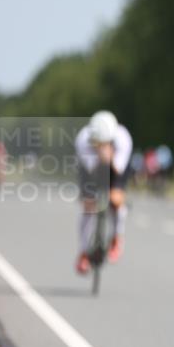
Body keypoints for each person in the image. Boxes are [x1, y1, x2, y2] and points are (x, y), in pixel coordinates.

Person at [74, 111, 133, 274]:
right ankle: (84, 252)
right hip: (90, 170)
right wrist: (100, 155)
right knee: (88, 206)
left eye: (103, 142)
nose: (98, 145)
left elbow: (118, 170)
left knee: (116, 200)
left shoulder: (123, 138)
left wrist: (109, 157)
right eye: (96, 142)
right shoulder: (83, 140)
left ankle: (116, 237)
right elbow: (92, 171)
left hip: (115, 167)